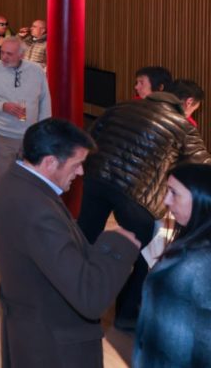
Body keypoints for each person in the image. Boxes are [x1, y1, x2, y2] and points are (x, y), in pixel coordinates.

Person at [0, 118, 141, 368]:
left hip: (28, 329)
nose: (81, 173)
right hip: (52, 344)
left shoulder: (6, 182)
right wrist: (117, 245)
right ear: (49, 162)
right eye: (76, 164)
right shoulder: (38, 211)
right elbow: (89, 298)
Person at [77, 90, 211, 331]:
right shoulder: (182, 126)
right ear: (183, 105)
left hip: (97, 178)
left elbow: (90, 137)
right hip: (138, 194)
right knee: (142, 254)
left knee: (84, 236)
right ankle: (126, 314)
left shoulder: (119, 107)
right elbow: (202, 165)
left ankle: (74, 294)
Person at [133, 163, 211, 368]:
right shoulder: (190, 244)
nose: (166, 201)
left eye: (174, 193)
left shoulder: (200, 263)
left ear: (202, 199)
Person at [0, 36, 52, 177]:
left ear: (21, 55)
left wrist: (43, 131)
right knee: (1, 181)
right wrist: (2, 106)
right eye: (2, 52)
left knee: (28, 181)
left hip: (30, 137)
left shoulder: (36, 71)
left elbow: (45, 101)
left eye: (9, 54)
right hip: (2, 137)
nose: (4, 57)